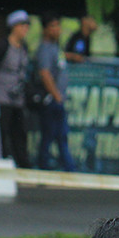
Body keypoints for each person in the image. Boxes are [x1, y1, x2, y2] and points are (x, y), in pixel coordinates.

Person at [0, 9, 32, 168]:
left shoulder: (24, 48)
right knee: (1, 131)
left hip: (17, 98)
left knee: (20, 131)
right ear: (14, 27)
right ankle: (1, 162)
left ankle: (22, 164)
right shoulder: (3, 46)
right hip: (1, 96)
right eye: (22, 26)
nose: (25, 29)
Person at [33, 11, 77, 172]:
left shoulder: (55, 47)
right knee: (49, 135)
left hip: (58, 99)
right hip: (51, 100)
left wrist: (72, 56)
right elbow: (45, 73)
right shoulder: (44, 48)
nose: (57, 29)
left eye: (58, 25)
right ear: (45, 29)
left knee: (61, 136)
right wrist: (56, 95)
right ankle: (44, 167)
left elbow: (58, 60)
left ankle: (69, 169)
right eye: (53, 26)